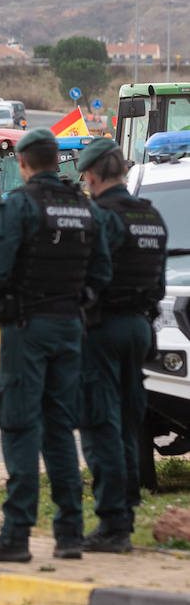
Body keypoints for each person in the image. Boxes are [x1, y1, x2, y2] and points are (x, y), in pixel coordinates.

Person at [0, 128, 111, 563]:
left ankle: (16, 535)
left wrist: (3, 303)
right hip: (69, 330)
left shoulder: (20, 205)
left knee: (19, 428)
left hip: (26, 330)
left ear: (24, 163)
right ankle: (69, 534)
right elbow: (101, 274)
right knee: (60, 430)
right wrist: (75, 307)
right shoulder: (84, 209)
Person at [76, 137, 168, 552]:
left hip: (105, 328)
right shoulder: (150, 216)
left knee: (101, 423)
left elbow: (87, 277)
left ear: (92, 176)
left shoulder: (100, 217)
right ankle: (127, 503)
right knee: (130, 418)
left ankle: (113, 523)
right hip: (141, 328)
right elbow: (158, 281)